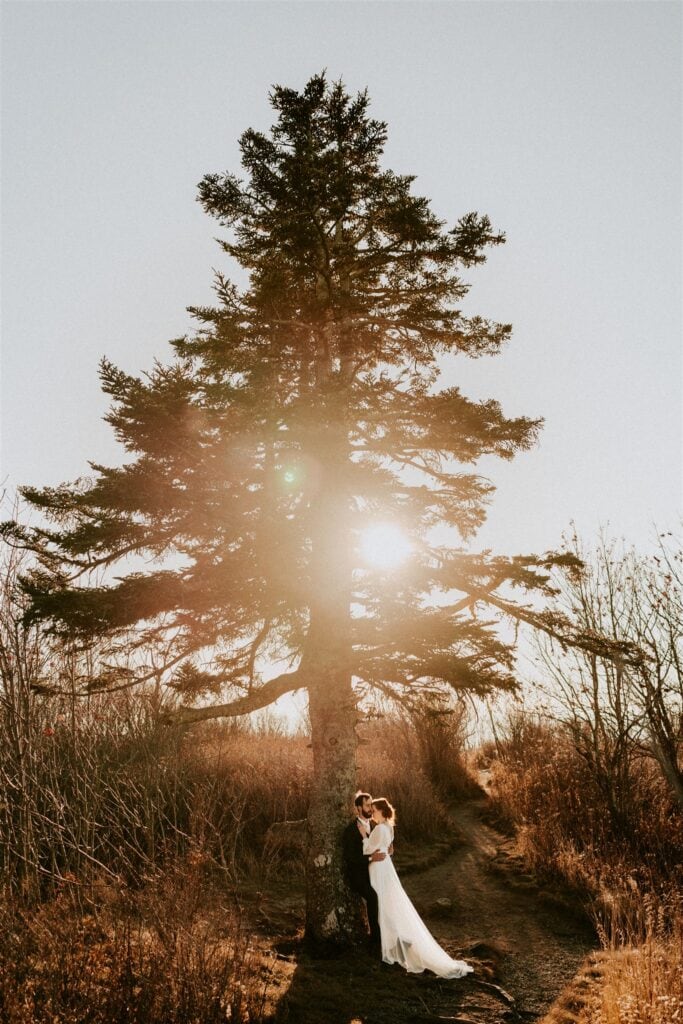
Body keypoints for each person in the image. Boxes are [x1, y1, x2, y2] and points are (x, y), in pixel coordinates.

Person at [363, 797, 473, 979]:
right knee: (388, 904)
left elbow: (367, 849)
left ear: (381, 811)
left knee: (382, 905)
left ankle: (386, 944)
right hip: (386, 867)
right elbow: (389, 849)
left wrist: (363, 835)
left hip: (379, 868)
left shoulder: (379, 829)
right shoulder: (389, 828)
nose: (372, 813)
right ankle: (391, 942)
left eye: (373, 809)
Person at [342, 791, 386, 950]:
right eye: (367, 805)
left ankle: (387, 933)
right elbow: (350, 857)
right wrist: (370, 859)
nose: (371, 808)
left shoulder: (375, 825)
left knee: (386, 896)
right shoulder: (350, 830)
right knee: (373, 897)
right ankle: (375, 939)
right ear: (358, 808)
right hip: (358, 876)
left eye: (371, 804)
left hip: (375, 873)